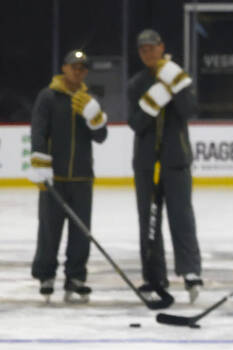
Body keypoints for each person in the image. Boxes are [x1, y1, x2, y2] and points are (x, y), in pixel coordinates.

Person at [127, 29, 204, 302]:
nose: (148, 53)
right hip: (147, 165)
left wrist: (176, 86)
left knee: (181, 218)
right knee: (149, 222)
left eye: (152, 47)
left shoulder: (178, 78)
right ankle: (153, 276)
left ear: (162, 47)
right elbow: (135, 123)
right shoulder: (136, 83)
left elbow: (189, 110)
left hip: (176, 162)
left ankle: (191, 272)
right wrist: (152, 102)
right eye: (143, 49)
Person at [29, 49, 108, 304]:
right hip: (55, 178)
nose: (78, 71)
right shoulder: (48, 97)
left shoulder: (88, 100)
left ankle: (76, 277)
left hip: (83, 179)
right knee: (49, 230)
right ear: (64, 68)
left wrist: (95, 118)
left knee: (81, 232)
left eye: (82, 68)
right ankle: (46, 275)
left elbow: (101, 137)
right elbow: (39, 130)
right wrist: (41, 163)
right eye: (74, 66)